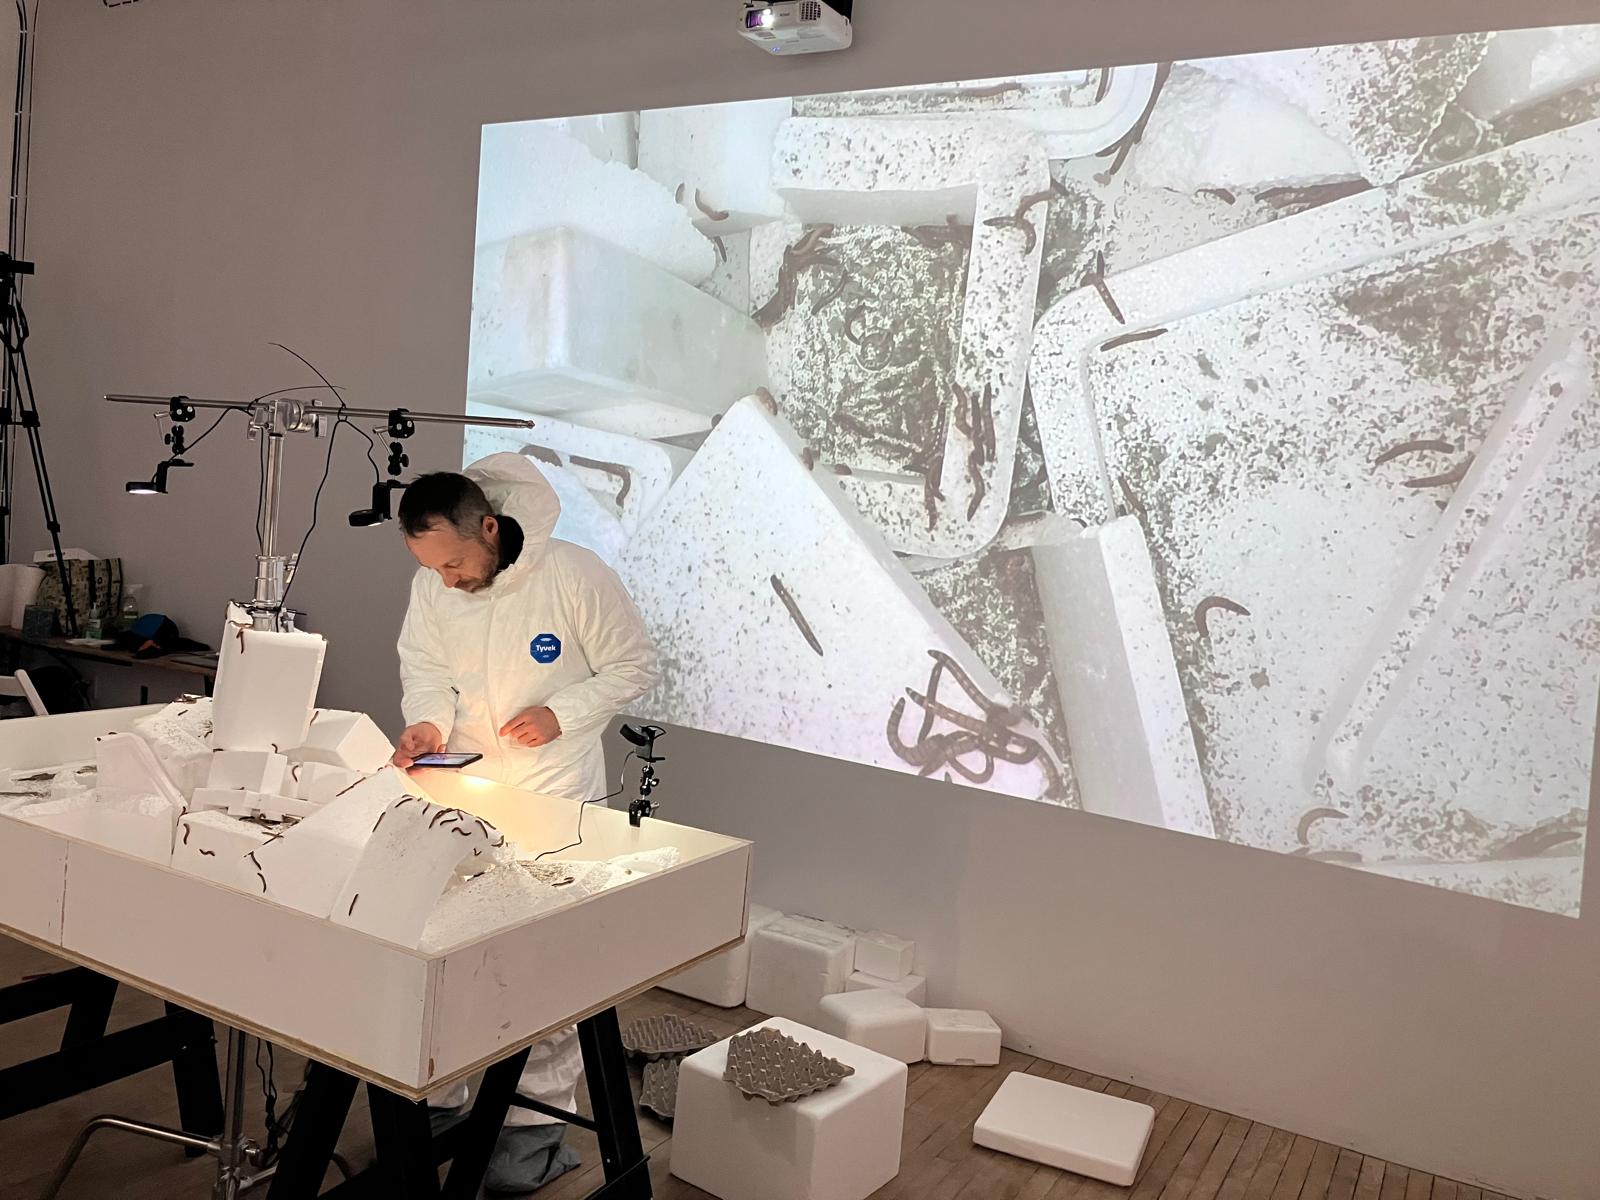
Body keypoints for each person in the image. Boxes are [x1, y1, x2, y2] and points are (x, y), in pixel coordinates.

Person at [393, 452, 659, 1193]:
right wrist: (425, 725)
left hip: (551, 790)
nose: (446, 579)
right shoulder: (431, 585)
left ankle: (533, 1125)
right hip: (464, 788)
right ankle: (441, 1102)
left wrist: (562, 712)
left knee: (541, 962)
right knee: (444, 950)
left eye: (454, 562)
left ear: (489, 526)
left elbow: (634, 665)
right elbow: (424, 667)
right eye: (432, 568)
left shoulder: (572, 575)